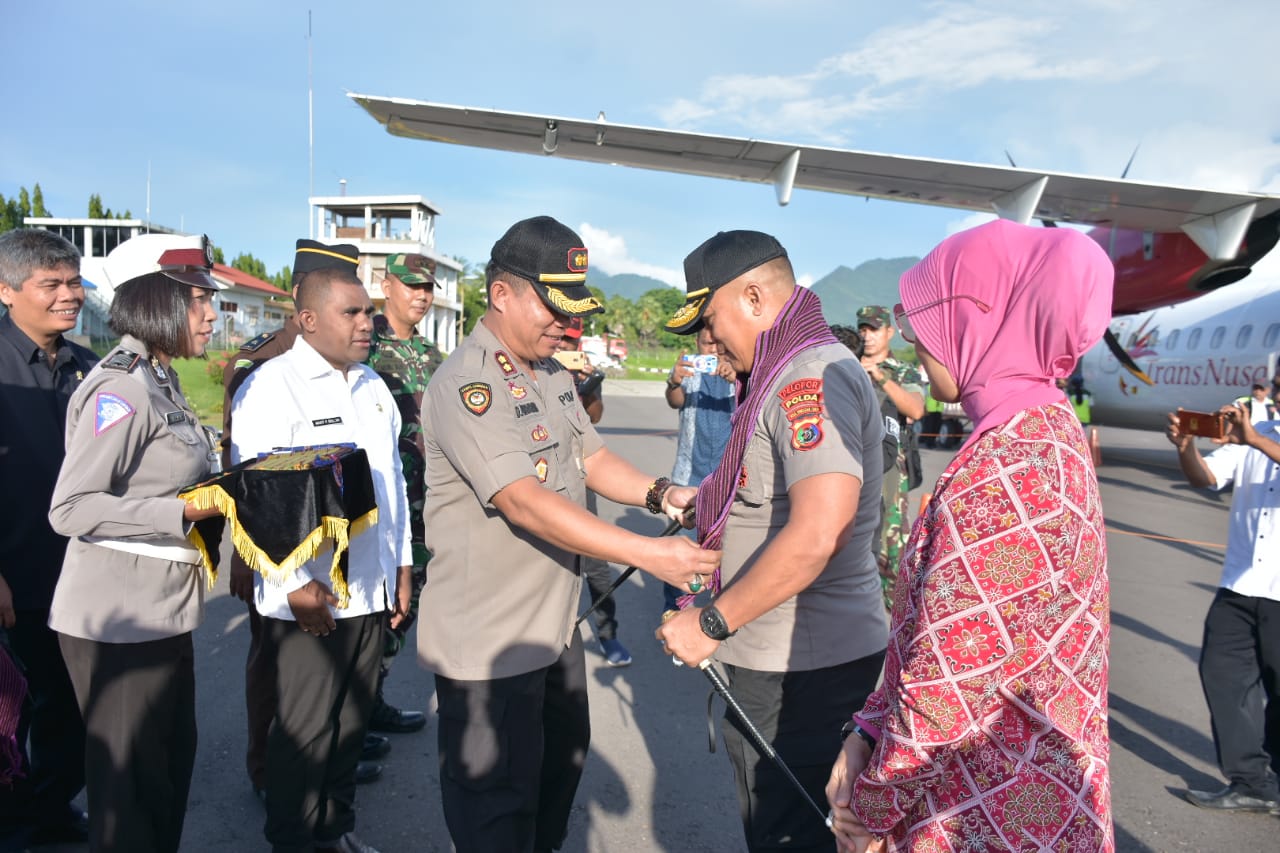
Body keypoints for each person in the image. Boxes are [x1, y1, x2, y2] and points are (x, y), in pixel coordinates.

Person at [421, 215, 719, 852]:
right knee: (496, 813)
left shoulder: (551, 373)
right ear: (501, 294)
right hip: (488, 647)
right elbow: (523, 502)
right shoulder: (467, 384)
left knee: (557, 778)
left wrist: (662, 493)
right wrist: (648, 552)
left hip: (553, 634)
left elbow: (592, 458)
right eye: (552, 307)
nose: (564, 323)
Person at [826, 219, 1114, 852]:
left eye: (926, 318)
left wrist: (868, 814)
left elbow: (945, 691)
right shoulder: (1036, 426)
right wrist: (868, 729)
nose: (912, 337)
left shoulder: (1014, 465)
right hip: (1008, 799)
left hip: (990, 816)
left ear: (979, 317)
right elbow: (941, 640)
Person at [656, 230, 888, 853]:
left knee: (794, 834)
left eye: (711, 320)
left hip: (803, 679)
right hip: (792, 663)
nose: (710, 341)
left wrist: (710, 621)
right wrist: (697, 501)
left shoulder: (804, 379)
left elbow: (819, 531)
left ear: (755, 297)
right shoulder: (784, 371)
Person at [230, 252, 413, 853]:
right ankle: (292, 840)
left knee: (348, 729)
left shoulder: (373, 385)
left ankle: (333, 832)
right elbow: (253, 499)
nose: (367, 322)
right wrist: (291, 588)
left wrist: (403, 566)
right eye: (352, 312)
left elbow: (394, 486)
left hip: (370, 588)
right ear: (307, 320)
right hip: (312, 598)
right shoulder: (269, 389)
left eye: (368, 311)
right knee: (303, 735)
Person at [46, 237, 223, 852]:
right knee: (128, 796)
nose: (211, 315)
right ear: (157, 299)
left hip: (164, 610)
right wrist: (182, 510)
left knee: (167, 776)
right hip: (117, 622)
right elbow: (71, 507)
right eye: (198, 299)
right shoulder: (121, 389)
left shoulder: (160, 378)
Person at [0, 229, 94, 849]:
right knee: (13, 713)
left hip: (81, 577)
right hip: (14, 575)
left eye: (74, 282)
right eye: (51, 285)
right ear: (7, 290)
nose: (69, 296)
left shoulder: (90, 367)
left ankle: (48, 811)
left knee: (69, 707)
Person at [1167, 402, 1280, 814]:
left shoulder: (1257, 436)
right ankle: (1251, 782)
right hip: (1240, 585)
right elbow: (1206, 478)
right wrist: (1185, 448)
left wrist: (1257, 441)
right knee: (1223, 677)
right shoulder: (1258, 429)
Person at [366, 253, 442, 730]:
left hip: (427, 502)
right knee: (372, 604)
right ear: (385, 284)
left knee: (405, 604)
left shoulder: (434, 356)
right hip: (380, 501)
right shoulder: (363, 344)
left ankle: (370, 699)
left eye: (428, 288)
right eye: (411, 285)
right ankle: (353, 712)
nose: (421, 295)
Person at [554, 318, 632, 666]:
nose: (564, 347)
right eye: (562, 341)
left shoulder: (582, 374)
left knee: (597, 565)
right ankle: (550, 636)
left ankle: (608, 634)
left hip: (580, 475)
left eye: (571, 341)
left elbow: (596, 418)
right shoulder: (530, 369)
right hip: (540, 479)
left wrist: (585, 387)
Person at [855, 305, 925, 607]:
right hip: (851, 461)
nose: (867, 336)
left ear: (888, 332)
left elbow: (915, 409)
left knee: (890, 538)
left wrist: (881, 378)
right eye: (863, 329)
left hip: (890, 469)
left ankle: (892, 607)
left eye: (873, 329)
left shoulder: (902, 371)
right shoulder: (847, 363)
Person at [662, 325, 736, 613]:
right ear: (697, 342)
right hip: (687, 476)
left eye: (719, 345)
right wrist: (673, 381)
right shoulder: (689, 369)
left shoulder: (739, 374)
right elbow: (674, 401)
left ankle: (724, 613)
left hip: (728, 481)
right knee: (682, 555)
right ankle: (674, 609)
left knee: (728, 556)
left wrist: (738, 380)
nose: (713, 351)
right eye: (707, 344)